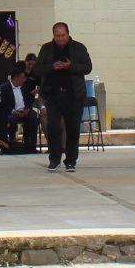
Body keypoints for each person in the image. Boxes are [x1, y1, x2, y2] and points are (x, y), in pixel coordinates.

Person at [37, 23, 93, 172]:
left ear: (68, 34)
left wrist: (70, 66)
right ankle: (54, 159)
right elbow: (38, 69)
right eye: (57, 36)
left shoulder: (79, 48)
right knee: (54, 128)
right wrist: (51, 67)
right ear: (53, 35)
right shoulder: (46, 49)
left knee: (73, 129)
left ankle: (71, 161)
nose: (60, 39)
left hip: (74, 95)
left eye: (63, 36)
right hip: (53, 94)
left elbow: (87, 67)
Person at [1, 66, 39, 154]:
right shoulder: (4, 88)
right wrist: (13, 111)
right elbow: (3, 104)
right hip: (12, 112)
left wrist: (27, 109)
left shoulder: (24, 87)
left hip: (24, 111)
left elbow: (29, 100)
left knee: (33, 117)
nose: (24, 80)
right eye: (22, 78)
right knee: (11, 119)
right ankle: (11, 145)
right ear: (15, 78)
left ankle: (32, 146)